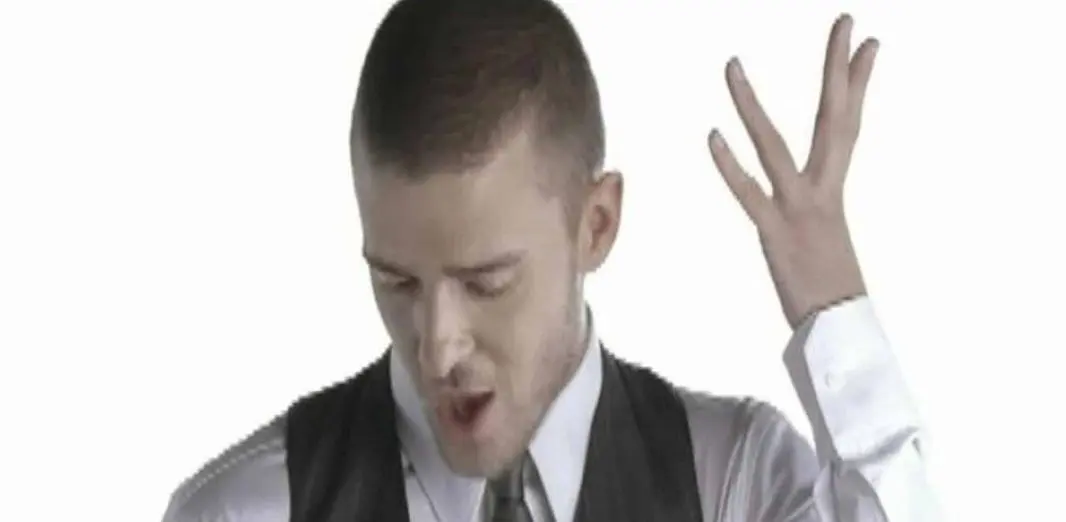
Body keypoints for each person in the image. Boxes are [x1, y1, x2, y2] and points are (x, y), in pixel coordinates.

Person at [162, 0, 939, 520]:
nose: (437, 348)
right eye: (395, 280)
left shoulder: (732, 483)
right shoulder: (249, 512)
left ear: (595, 226)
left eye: (486, 282)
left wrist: (834, 310)